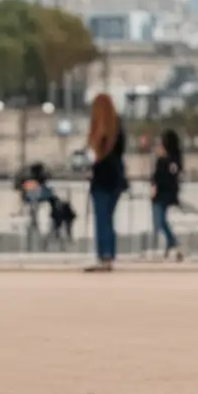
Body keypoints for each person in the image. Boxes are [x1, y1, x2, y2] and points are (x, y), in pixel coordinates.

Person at [86, 92, 127, 272]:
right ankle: (109, 255)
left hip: (101, 180)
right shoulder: (118, 128)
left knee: (101, 219)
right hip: (116, 179)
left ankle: (103, 255)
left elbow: (94, 157)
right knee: (109, 220)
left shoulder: (99, 133)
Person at [151, 127, 183, 261]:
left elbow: (167, 176)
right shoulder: (161, 160)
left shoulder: (171, 161)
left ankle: (173, 242)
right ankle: (170, 245)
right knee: (159, 222)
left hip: (164, 194)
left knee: (160, 221)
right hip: (161, 194)